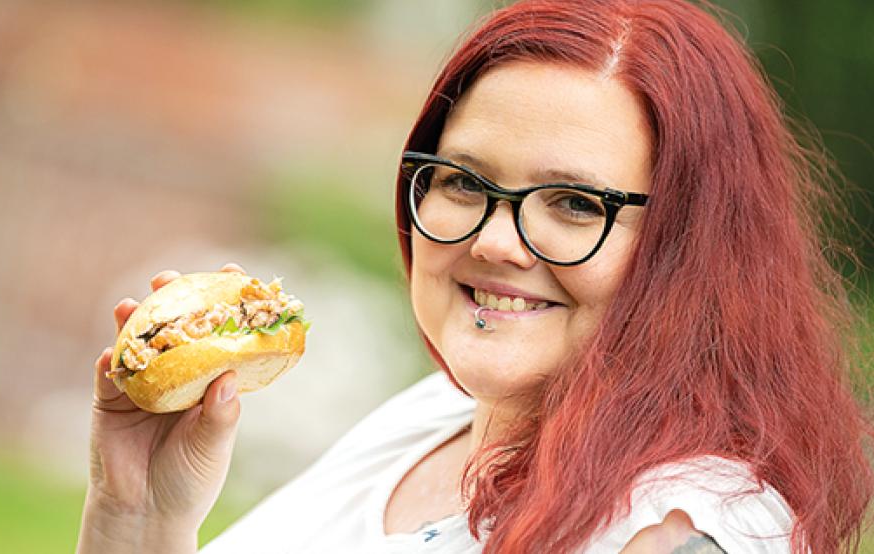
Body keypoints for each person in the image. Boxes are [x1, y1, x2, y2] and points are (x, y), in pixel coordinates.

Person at [75, 0, 873, 552]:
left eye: (573, 203)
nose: (496, 241)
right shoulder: (433, 420)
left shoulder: (689, 523)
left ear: (692, 246)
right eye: (463, 182)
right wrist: (137, 517)